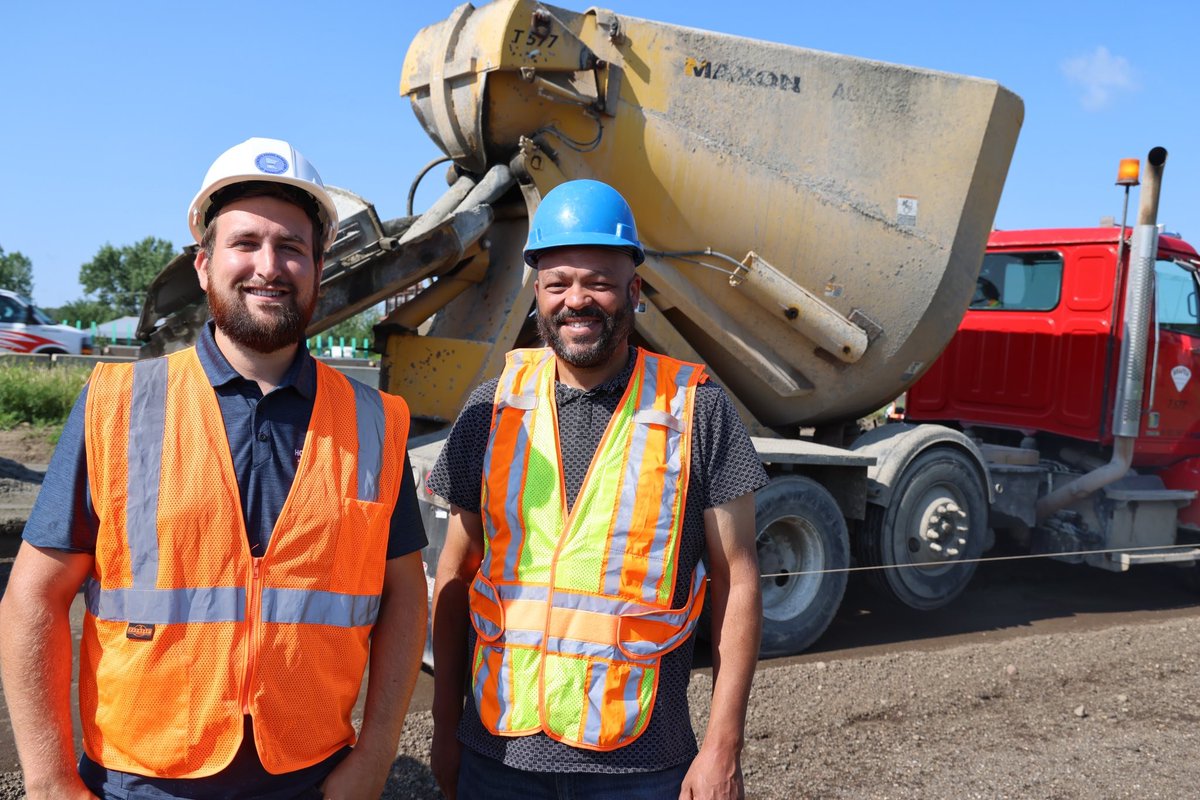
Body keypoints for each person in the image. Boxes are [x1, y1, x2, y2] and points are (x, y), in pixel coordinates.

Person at [0, 137, 428, 800]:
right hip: (140, 779)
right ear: (204, 265)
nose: (269, 265)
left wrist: (373, 759)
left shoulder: (374, 423)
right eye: (246, 243)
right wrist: (50, 778)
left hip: (309, 776)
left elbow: (406, 599)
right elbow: (33, 597)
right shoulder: (117, 405)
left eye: (292, 247)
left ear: (318, 268)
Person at [428, 179, 768, 799]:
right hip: (498, 758)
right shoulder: (491, 407)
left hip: (642, 764)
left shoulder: (698, 410)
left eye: (598, 282)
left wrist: (723, 747)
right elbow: (456, 568)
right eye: (557, 284)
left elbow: (739, 580)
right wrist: (444, 726)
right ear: (537, 293)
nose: (575, 300)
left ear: (633, 292)